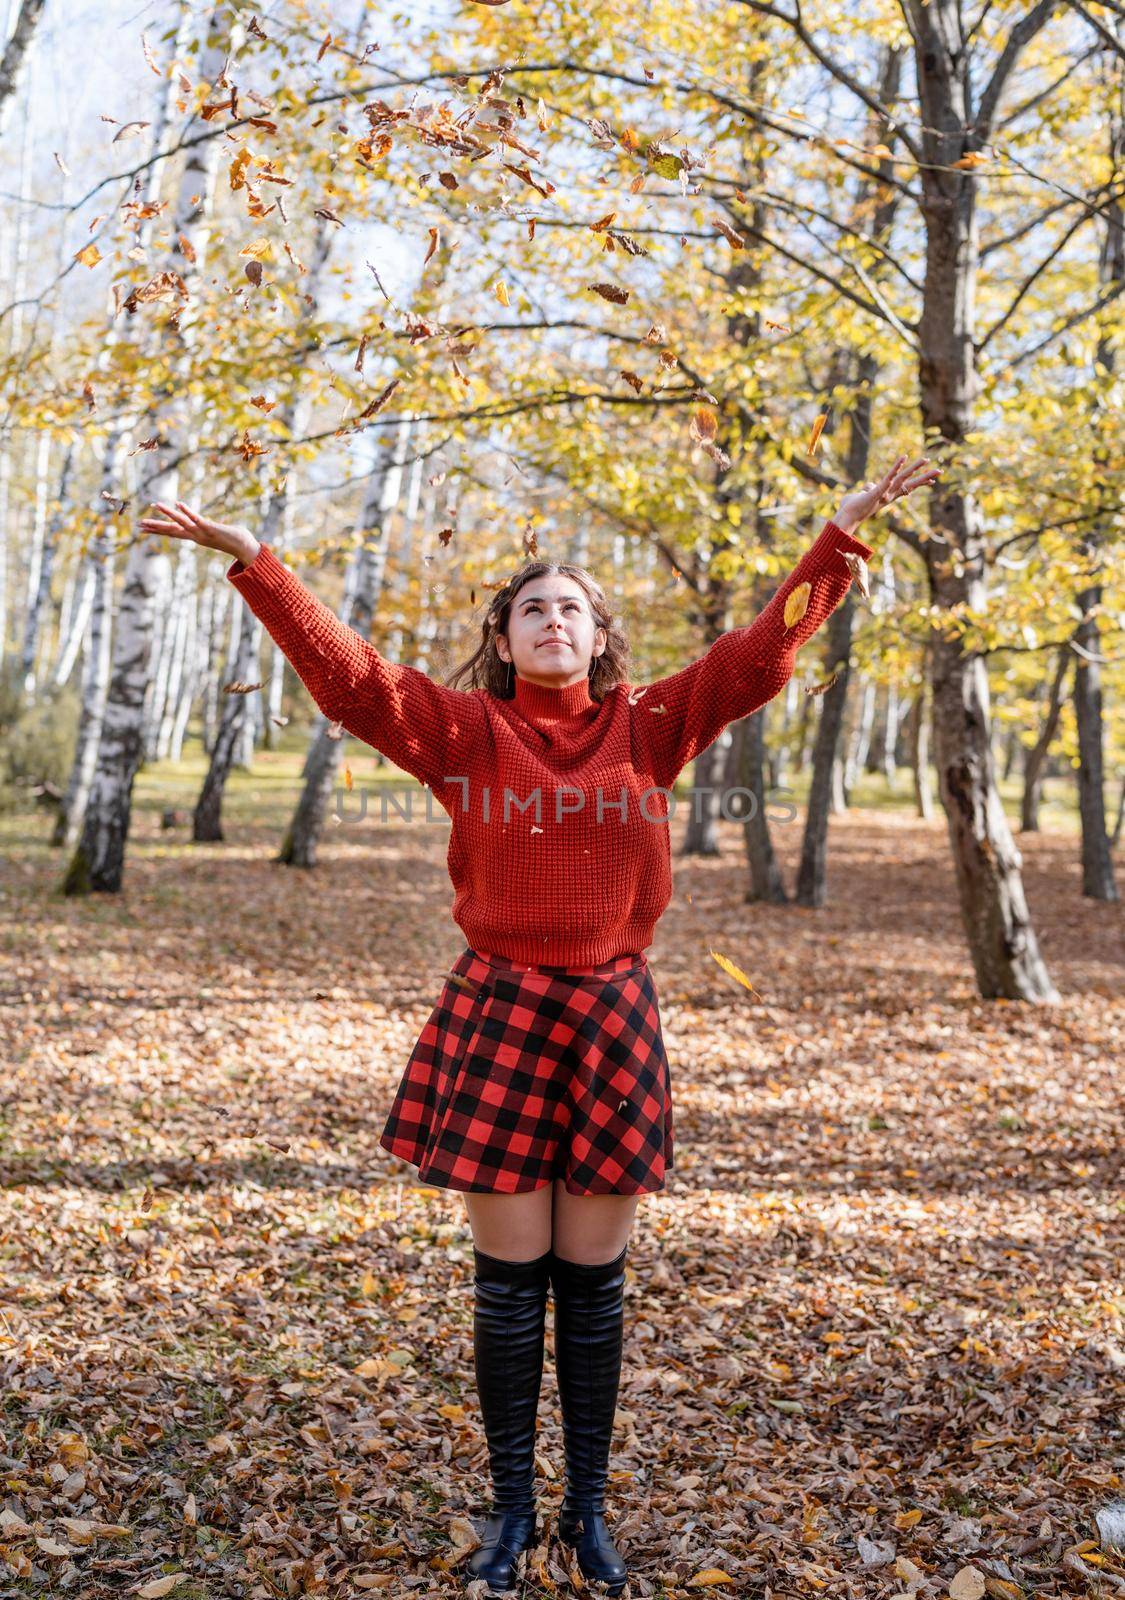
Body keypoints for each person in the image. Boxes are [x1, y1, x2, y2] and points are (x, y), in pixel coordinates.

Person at [138, 452, 940, 1596]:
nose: (552, 620)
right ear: (506, 642)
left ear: (598, 636)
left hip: (611, 1018)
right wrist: (255, 562)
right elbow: (356, 680)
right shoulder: (465, 733)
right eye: (531, 610)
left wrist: (842, 538)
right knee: (512, 1288)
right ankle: (513, 1515)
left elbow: (762, 656)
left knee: (594, 1284)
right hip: (500, 1013)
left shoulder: (650, 724)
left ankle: (590, 1512)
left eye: (570, 607)